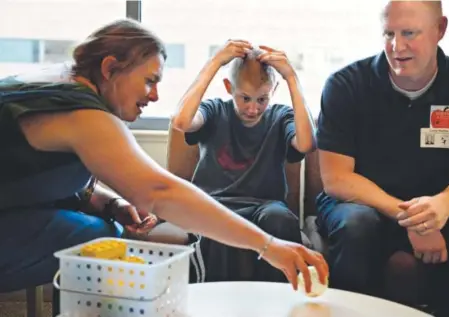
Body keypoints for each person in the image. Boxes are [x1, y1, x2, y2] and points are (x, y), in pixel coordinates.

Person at [0, 19, 328, 296]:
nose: (155, 96)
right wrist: (268, 246)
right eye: (149, 81)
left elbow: (27, 172)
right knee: (101, 239)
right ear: (110, 68)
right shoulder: (82, 113)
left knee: (103, 227)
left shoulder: (55, 80)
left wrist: (109, 202)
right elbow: (160, 193)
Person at [315, 1, 449, 315]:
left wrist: (441, 207)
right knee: (356, 226)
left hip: (439, 204)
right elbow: (336, 179)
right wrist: (414, 219)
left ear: (440, 29)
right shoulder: (345, 85)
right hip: (362, 203)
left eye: (409, 33)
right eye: (389, 33)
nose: (397, 47)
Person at [172, 40, 317, 282]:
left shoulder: (280, 117)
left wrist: (292, 77)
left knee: (280, 220)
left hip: (266, 206)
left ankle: (276, 301)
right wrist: (215, 62)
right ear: (229, 87)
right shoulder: (215, 110)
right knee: (218, 222)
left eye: (262, 99)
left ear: (273, 91)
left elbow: (306, 144)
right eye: (245, 98)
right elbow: (181, 122)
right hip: (216, 204)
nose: (253, 109)